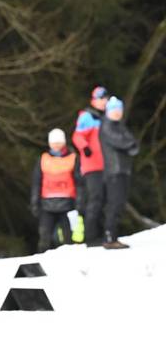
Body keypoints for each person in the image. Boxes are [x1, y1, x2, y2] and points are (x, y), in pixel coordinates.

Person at [30, 128, 81, 252]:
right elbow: (36, 182)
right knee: (44, 238)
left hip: (68, 205)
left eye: (59, 142)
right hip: (47, 205)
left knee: (69, 238)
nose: (56, 145)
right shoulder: (43, 159)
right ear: (49, 143)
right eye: (54, 142)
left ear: (63, 142)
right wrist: (34, 203)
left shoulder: (73, 158)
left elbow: (80, 183)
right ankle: (42, 263)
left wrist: (80, 202)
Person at [99, 97, 139, 249]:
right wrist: (129, 144)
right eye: (114, 110)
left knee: (120, 204)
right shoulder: (107, 126)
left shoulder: (120, 126)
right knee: (114, 204)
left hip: (123, 170)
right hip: (113, 171)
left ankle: (113, 236)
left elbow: (132, 141)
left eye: (119, 110)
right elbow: (123, 141)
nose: (117, 113)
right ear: (109, 111)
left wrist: (130, 144)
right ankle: (109, 237)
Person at [72, 86, 109, 246]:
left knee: (104, 200)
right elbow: (77, 136)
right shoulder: (88, 116)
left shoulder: (107, 117)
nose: (103, 102)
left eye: (105, 99)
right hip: (92, 166)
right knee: (95, 199)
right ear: (93, 100)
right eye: (100, 99)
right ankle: (91, 237)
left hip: (107, 165)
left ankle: (102, 234)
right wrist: (85, 147)